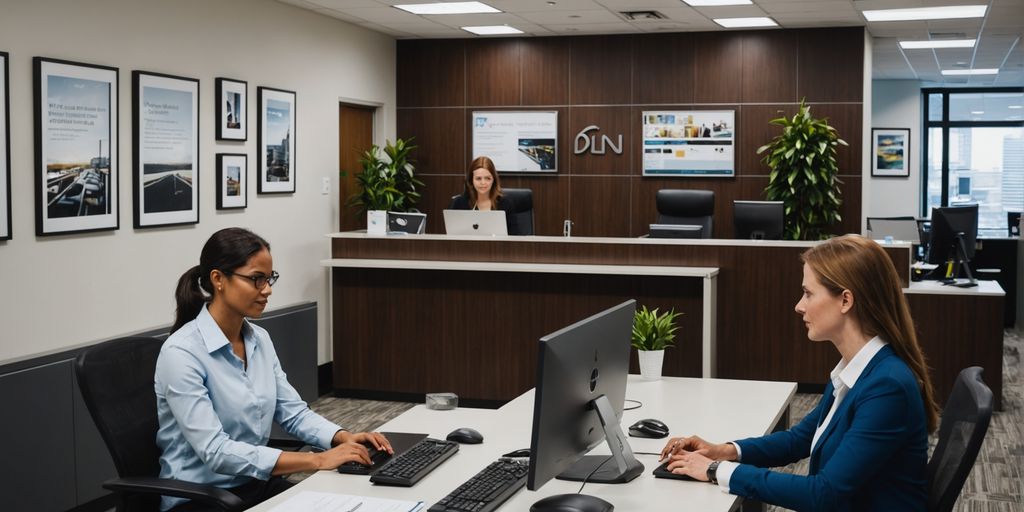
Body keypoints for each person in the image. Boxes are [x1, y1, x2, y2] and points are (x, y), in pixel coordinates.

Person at [660, 234, 939, 511]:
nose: (799, 305)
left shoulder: (886, 387)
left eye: (808, 293)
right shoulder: (856, 370)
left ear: (845, 301)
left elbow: (824, 494)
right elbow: (801, 439)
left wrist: (715, 470)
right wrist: (723, 451)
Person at [155, 228, 393, 511]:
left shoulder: (258, 339)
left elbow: (292, 412)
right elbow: (216, 452)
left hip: (254, 483)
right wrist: (317, 460)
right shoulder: (182, 353)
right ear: (218, 279)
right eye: (256, 279)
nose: (267, 289)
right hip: (199, 498)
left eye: (269, 279)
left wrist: (341, 437)